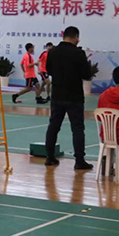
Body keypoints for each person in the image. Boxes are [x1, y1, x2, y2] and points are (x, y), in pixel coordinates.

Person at [44, 26, 94, 169]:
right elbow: (86, 75)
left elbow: (49, 70)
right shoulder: (79, 53)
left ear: (63, 36)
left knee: (53, 126)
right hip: (74, 96)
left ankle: (49, 157)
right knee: (77, 128)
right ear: (76, 37)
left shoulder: (52, 52)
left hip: (57, 94)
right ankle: (79, 161)